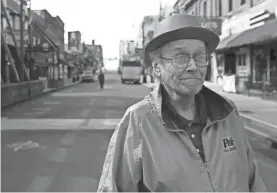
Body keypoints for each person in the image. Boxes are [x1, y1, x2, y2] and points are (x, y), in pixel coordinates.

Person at [97, 14, 266, 192]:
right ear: (157, 68)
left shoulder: (228, 112)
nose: (193, 66)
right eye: (180, 57)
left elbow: (253, 181)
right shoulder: (138, 121)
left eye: (200, 56)